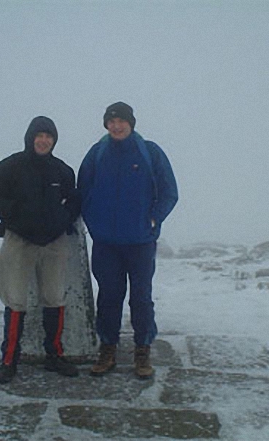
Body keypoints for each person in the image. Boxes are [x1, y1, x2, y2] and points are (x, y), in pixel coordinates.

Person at [77, 102, 178, 379]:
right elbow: (82, 191)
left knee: (141, 298)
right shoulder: (97, 153)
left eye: (121, 121)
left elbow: (169, 192)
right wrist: (94, 224)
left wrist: (154, 219)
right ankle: (108, 347)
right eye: (111, 121)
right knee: (109, 297)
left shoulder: (149, 152)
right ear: (106, 125)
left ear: (131, 123)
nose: (116, 126)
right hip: (106, 243)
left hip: (141, 242)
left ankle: (142, 349)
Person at [0, 116, 81, 384]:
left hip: (53, 242)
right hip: (20, 240)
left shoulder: (62, 171)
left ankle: (55, 356)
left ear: (54, 140)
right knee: (15, 300)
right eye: (39, 135)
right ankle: (10, 359)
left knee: (54, 297)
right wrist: (13, 211)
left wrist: (64, 219)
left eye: (49, 136)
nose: (44, 140)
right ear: (30, 138)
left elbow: (75, 201)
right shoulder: (11, 167)